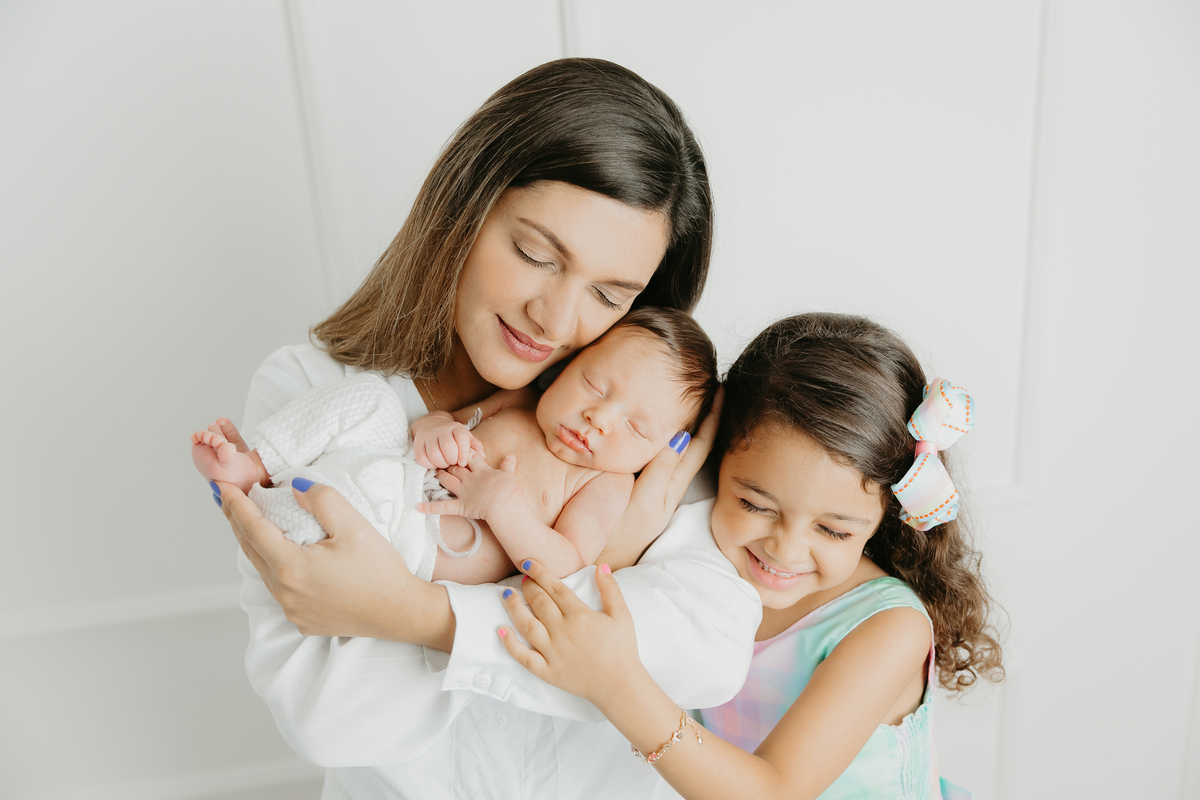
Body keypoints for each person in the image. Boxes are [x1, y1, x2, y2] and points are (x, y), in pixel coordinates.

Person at [213, 58, 763, 799]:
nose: (559, 321)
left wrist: (412, 614)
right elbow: (332, 717)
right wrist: (615, 576)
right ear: (462, 210)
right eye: (537, 255)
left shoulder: (645, 427)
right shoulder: (313, 391)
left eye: (609, 293)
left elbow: (706, 658)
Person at [499, 313, 1005, 800]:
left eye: (832, 529)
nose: (784, 550)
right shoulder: (700, 555)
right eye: (755, 505)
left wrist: (616, 685)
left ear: (882, 517)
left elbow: (775, 791)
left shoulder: (889, 629)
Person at [194, 308, 718, 583]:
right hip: (388, 465)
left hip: (411, 537)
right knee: (372, 398)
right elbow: (439, 423)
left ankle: (267, 504)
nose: (598, 417)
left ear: (658, 452)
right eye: (594, 386)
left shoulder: (604, 484)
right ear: (563, 368)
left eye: (637, 428)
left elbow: (566, 565)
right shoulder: (518, 401)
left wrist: (504, 506)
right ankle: (257, 464)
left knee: (327, 524)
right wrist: (434, 429)